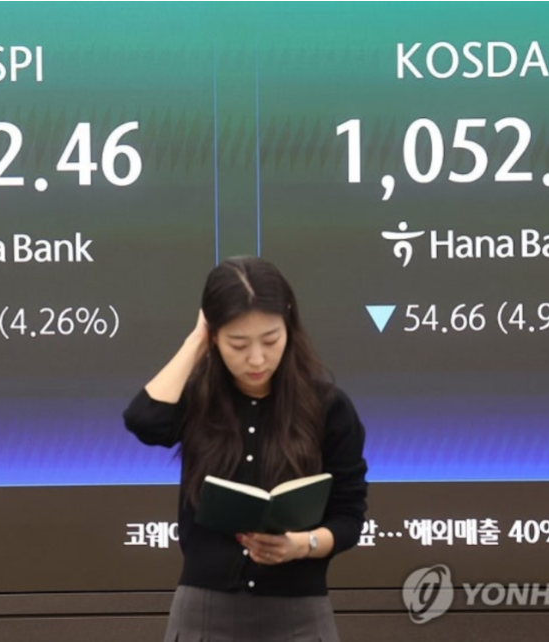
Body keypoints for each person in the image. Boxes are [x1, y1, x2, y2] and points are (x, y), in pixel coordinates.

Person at [123, 256, 368, 642]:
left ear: (289, 324)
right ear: (214, 335)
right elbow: (144, 419)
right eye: (237, 344)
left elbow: (349, 518)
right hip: (204, 612)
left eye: (270, 340)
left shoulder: (328, 407)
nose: (257, 359)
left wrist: (301, 545)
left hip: (299, 614)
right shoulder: (198, 398)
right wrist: (195, 341)